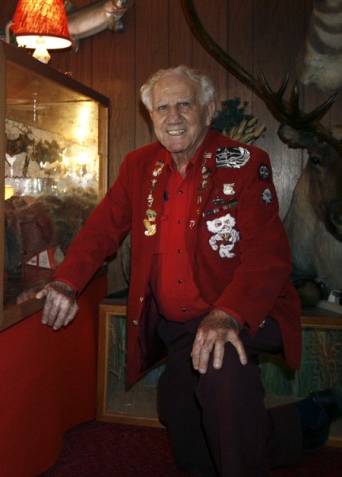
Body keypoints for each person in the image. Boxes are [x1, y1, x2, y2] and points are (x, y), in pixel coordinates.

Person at [34, 65, 342, 476]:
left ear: (209, 109)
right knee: (181, 414)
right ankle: (303, 421)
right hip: (178, 326)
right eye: (162, 107)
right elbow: (102, 228)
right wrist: (67, 281)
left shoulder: (246, 164)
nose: (173, 116)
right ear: (151, 117)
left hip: (244, 310)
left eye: (185, 104)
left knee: (222, 375)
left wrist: (225, 315)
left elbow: (269, 257)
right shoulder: (138, 167)